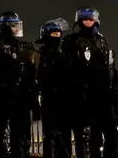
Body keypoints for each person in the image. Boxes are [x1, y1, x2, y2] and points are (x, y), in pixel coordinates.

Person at [60, 7, 118, 158]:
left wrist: (114, 85)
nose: (88, 22)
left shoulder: (101, 40)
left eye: (91, 19)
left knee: (110, 134)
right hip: (82, 96)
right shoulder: (71, 41)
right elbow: (67, 68)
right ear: (79, 21)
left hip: (103, 95)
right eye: (85, 19)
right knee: (85, 137)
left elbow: (110, 67)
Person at [0, 11, 39, 158]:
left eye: (16, 25)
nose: (15, 29)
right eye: (12, 25)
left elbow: (30, 75)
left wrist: (33, 100)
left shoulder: (21, 47)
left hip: (18, 99)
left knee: (20, 139)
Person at [35, 18, 70, 158]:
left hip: (64, 100)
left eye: (59, 34)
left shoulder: (64, 53)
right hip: (49, 100)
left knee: (65, 135)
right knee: (49, 135)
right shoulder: (40, 54)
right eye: (54, 34)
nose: (57, 37)